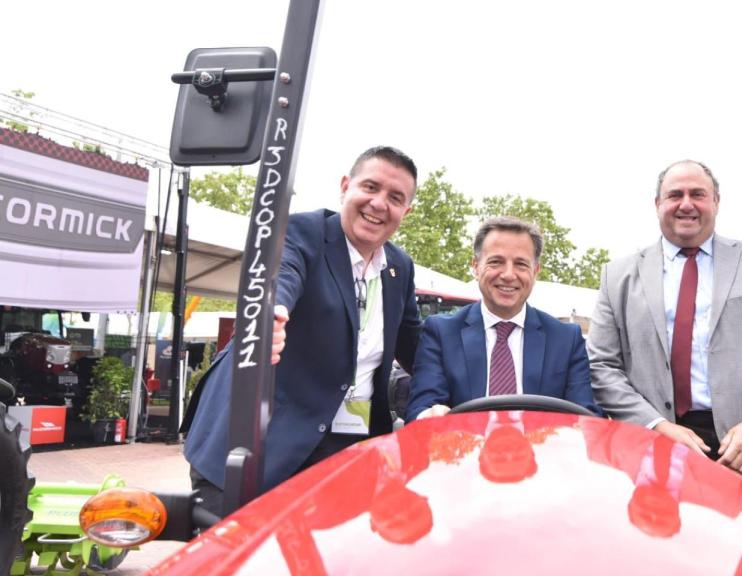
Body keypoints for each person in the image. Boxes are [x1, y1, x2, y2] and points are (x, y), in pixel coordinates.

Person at [183, 146, 422, 514]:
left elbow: (415, 345)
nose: (378, 204)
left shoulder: (399, 268)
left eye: (395, 197)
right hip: (259, 440)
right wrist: (270, 315)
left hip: (344, 451)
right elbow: (280, 277)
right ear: (345, 186)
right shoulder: (301, 231)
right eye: (370, 187)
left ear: (406, 212)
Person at [587, 160, 742, 495]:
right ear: (658, 205)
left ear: (716, 202)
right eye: (674, 195)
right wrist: (655, 425)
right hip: (654, 458)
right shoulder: (617, 276)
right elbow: (602, 366)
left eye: (698, 194)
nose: (686, 204)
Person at [406, 216, 602, 420]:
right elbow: (422, 406)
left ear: (535, 271)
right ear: (475, 266)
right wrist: (430, 414)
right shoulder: (441, 333)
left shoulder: (566, 339)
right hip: (465, 449)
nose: (509, 274)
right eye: (496, 262)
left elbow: (585, 416)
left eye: (521, 264)